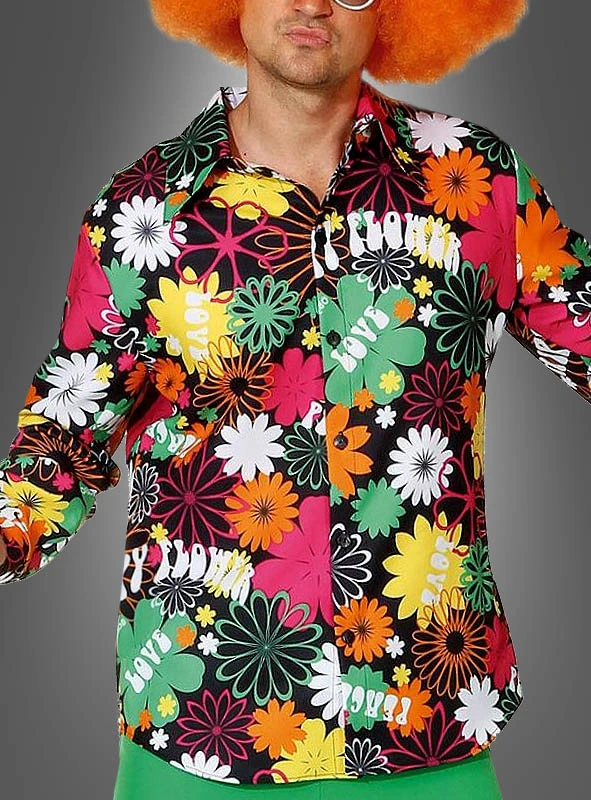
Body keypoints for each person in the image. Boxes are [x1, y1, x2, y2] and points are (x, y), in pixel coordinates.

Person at [1, 0, 589, 797]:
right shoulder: (141, 212)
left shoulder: (478, 181)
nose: (312, 1)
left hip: (430, 721)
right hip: (200, 722)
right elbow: (64, 436)